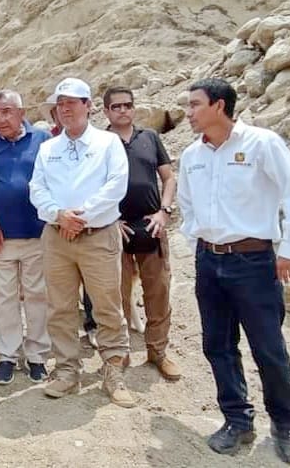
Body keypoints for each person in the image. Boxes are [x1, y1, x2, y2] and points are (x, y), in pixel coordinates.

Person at [177, 78, 290, 465]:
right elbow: (187, 207)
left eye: (195, 104)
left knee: (268, 347)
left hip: (254, 263)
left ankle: (286, 425)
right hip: (209, 261)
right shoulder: (192, 155)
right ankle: (237, 420)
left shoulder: (262, 143)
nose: (188, 113)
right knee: (217, 345)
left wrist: (289, 250)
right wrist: (199, 246)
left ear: (219, 106)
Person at [29, 77, 135, 408]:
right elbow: (37, 189)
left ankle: (113, 369)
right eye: (60, 104)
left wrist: (80, 217)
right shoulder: (48, 148)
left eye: (72, 102)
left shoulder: (108, 143)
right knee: (60, 307)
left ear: (88, 106)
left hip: (97, 236)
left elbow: (116, 186)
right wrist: (58, 215)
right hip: (57, 236)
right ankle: (66, 371)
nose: (65, 109)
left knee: (106, 305)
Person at [0, 90, 52, 385]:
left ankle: (37, 355)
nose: (0, 118)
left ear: (21, 112)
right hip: (0, 236)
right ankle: (7, 354)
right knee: (3, 297)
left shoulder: (42, 140)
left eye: (6, 111)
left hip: (38, 233)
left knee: (37, 296)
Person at [102, 86, 180, 381]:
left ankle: (157, 351)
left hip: (151, 225)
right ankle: (119, 352)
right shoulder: (99, 142)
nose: (123, 110)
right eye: (116, 106)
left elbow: (168, 177)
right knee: (116, 294)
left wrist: (164, 211)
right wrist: (108, 219)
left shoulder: (149, 138)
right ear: (106, 111)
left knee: (158, 291)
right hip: (114, 228)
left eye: (128, 105)